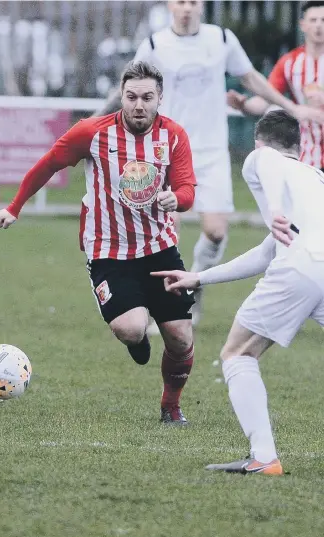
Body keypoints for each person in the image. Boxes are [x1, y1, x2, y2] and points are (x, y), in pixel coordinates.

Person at [96, 0, 324, 331]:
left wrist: (290, 106)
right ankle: (162, 307)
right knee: (160, 234)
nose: (186, 8)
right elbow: (127, 88)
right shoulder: (156, 44)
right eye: (180, 2)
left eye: (192, 2)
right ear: (170, 5)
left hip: (212, 150)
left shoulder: (220, 39)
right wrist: (94, 120)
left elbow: (251, 78)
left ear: (201, 6)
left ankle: (195, 282)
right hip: (168, 150)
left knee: (216, 233)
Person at [0, 61, 197, 425]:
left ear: (160, 99)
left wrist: (176, 200)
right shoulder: (93, 132)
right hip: (109, 250)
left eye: (147, 97)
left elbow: (187, 189)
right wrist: (15, 206)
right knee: (131, 328)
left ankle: (171, 406)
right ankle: (138, 342)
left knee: (181, 337)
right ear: (121, 96)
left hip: (160, 247)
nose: (139, 105)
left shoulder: (174, 136)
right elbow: (48, 164)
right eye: (131, 96)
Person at [152, 110, 324, 473]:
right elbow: (265, 254)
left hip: (302, 266)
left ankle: (264, 457)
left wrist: (274, 207)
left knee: (237, 355)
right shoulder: (315, 177)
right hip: (314, 264)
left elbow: (268, 163)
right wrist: (198, 278)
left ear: (260, 141)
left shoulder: (263, 158)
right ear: (298, 146)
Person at [228, 0, 324, 170]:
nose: (319, 26)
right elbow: (267, 98)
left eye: (323, 20)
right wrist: (244, 105)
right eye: (313, 20)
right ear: (303, 25)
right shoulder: (290, 62)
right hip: (306, 157)